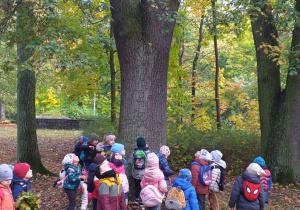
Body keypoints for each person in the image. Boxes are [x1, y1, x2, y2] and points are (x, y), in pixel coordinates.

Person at [129, 137, 151, 205]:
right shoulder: (148, 152)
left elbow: (130, 161)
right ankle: (142, 200)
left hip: (135, 173)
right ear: (145, 144)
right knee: (144, 186)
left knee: (137, 186)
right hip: (145, 173)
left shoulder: (134, 152)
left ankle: (136, 199)